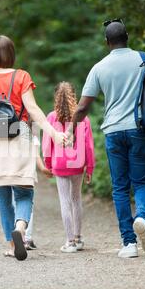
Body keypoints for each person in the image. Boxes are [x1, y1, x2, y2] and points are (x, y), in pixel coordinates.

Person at [67, 20, 145, 258]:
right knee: (142, 182)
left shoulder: (99, 68)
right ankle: (142, 217)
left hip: (114, 132)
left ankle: (129, 244)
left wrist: (72, 129)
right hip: (140, 128)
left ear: (107, 42)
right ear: (127, 36)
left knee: (120, 187)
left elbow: (83, 106)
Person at [0, 35, 66, 261]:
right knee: (24, 192)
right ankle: (21, 229)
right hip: (19, 138)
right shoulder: (21, 76)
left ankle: (12, 245)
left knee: (2, 196)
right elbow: (32, 109)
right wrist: (54, 133)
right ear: (12, 54)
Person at [42, 82, 95, 253]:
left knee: (64, 201)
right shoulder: (83, 119)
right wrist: (90, 167)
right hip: (77, 164)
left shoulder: (51, 118)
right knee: (76, 199)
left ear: (56, 97)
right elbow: (89, 146)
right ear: (74, 97)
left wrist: (48, 164)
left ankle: (70, 242)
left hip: (59, 164)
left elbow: (46, 144)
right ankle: (78, 239)